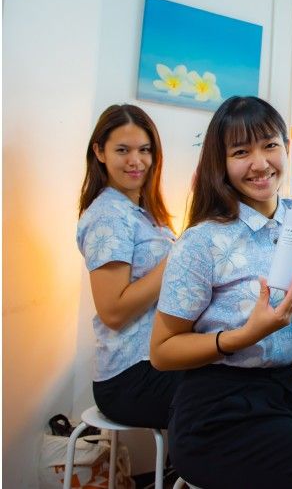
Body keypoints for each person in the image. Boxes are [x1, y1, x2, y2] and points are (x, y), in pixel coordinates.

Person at [149, 96, 292, 489]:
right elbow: (163, 352)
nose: (259, 163)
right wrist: (244, 336)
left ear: (287, 149)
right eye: (241, 151)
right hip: (221, 412)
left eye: (270, 145)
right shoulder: (202, 242)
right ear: (221, 162)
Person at [77, 104, 181, 429]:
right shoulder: (109, 215)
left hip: (159, 360)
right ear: (100, 152)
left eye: (144, 150)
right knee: (228, 395)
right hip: (129, 378)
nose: (136, 161)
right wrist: (176, 261)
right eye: (123, 150)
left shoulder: (144, 212)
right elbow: (113, 312)